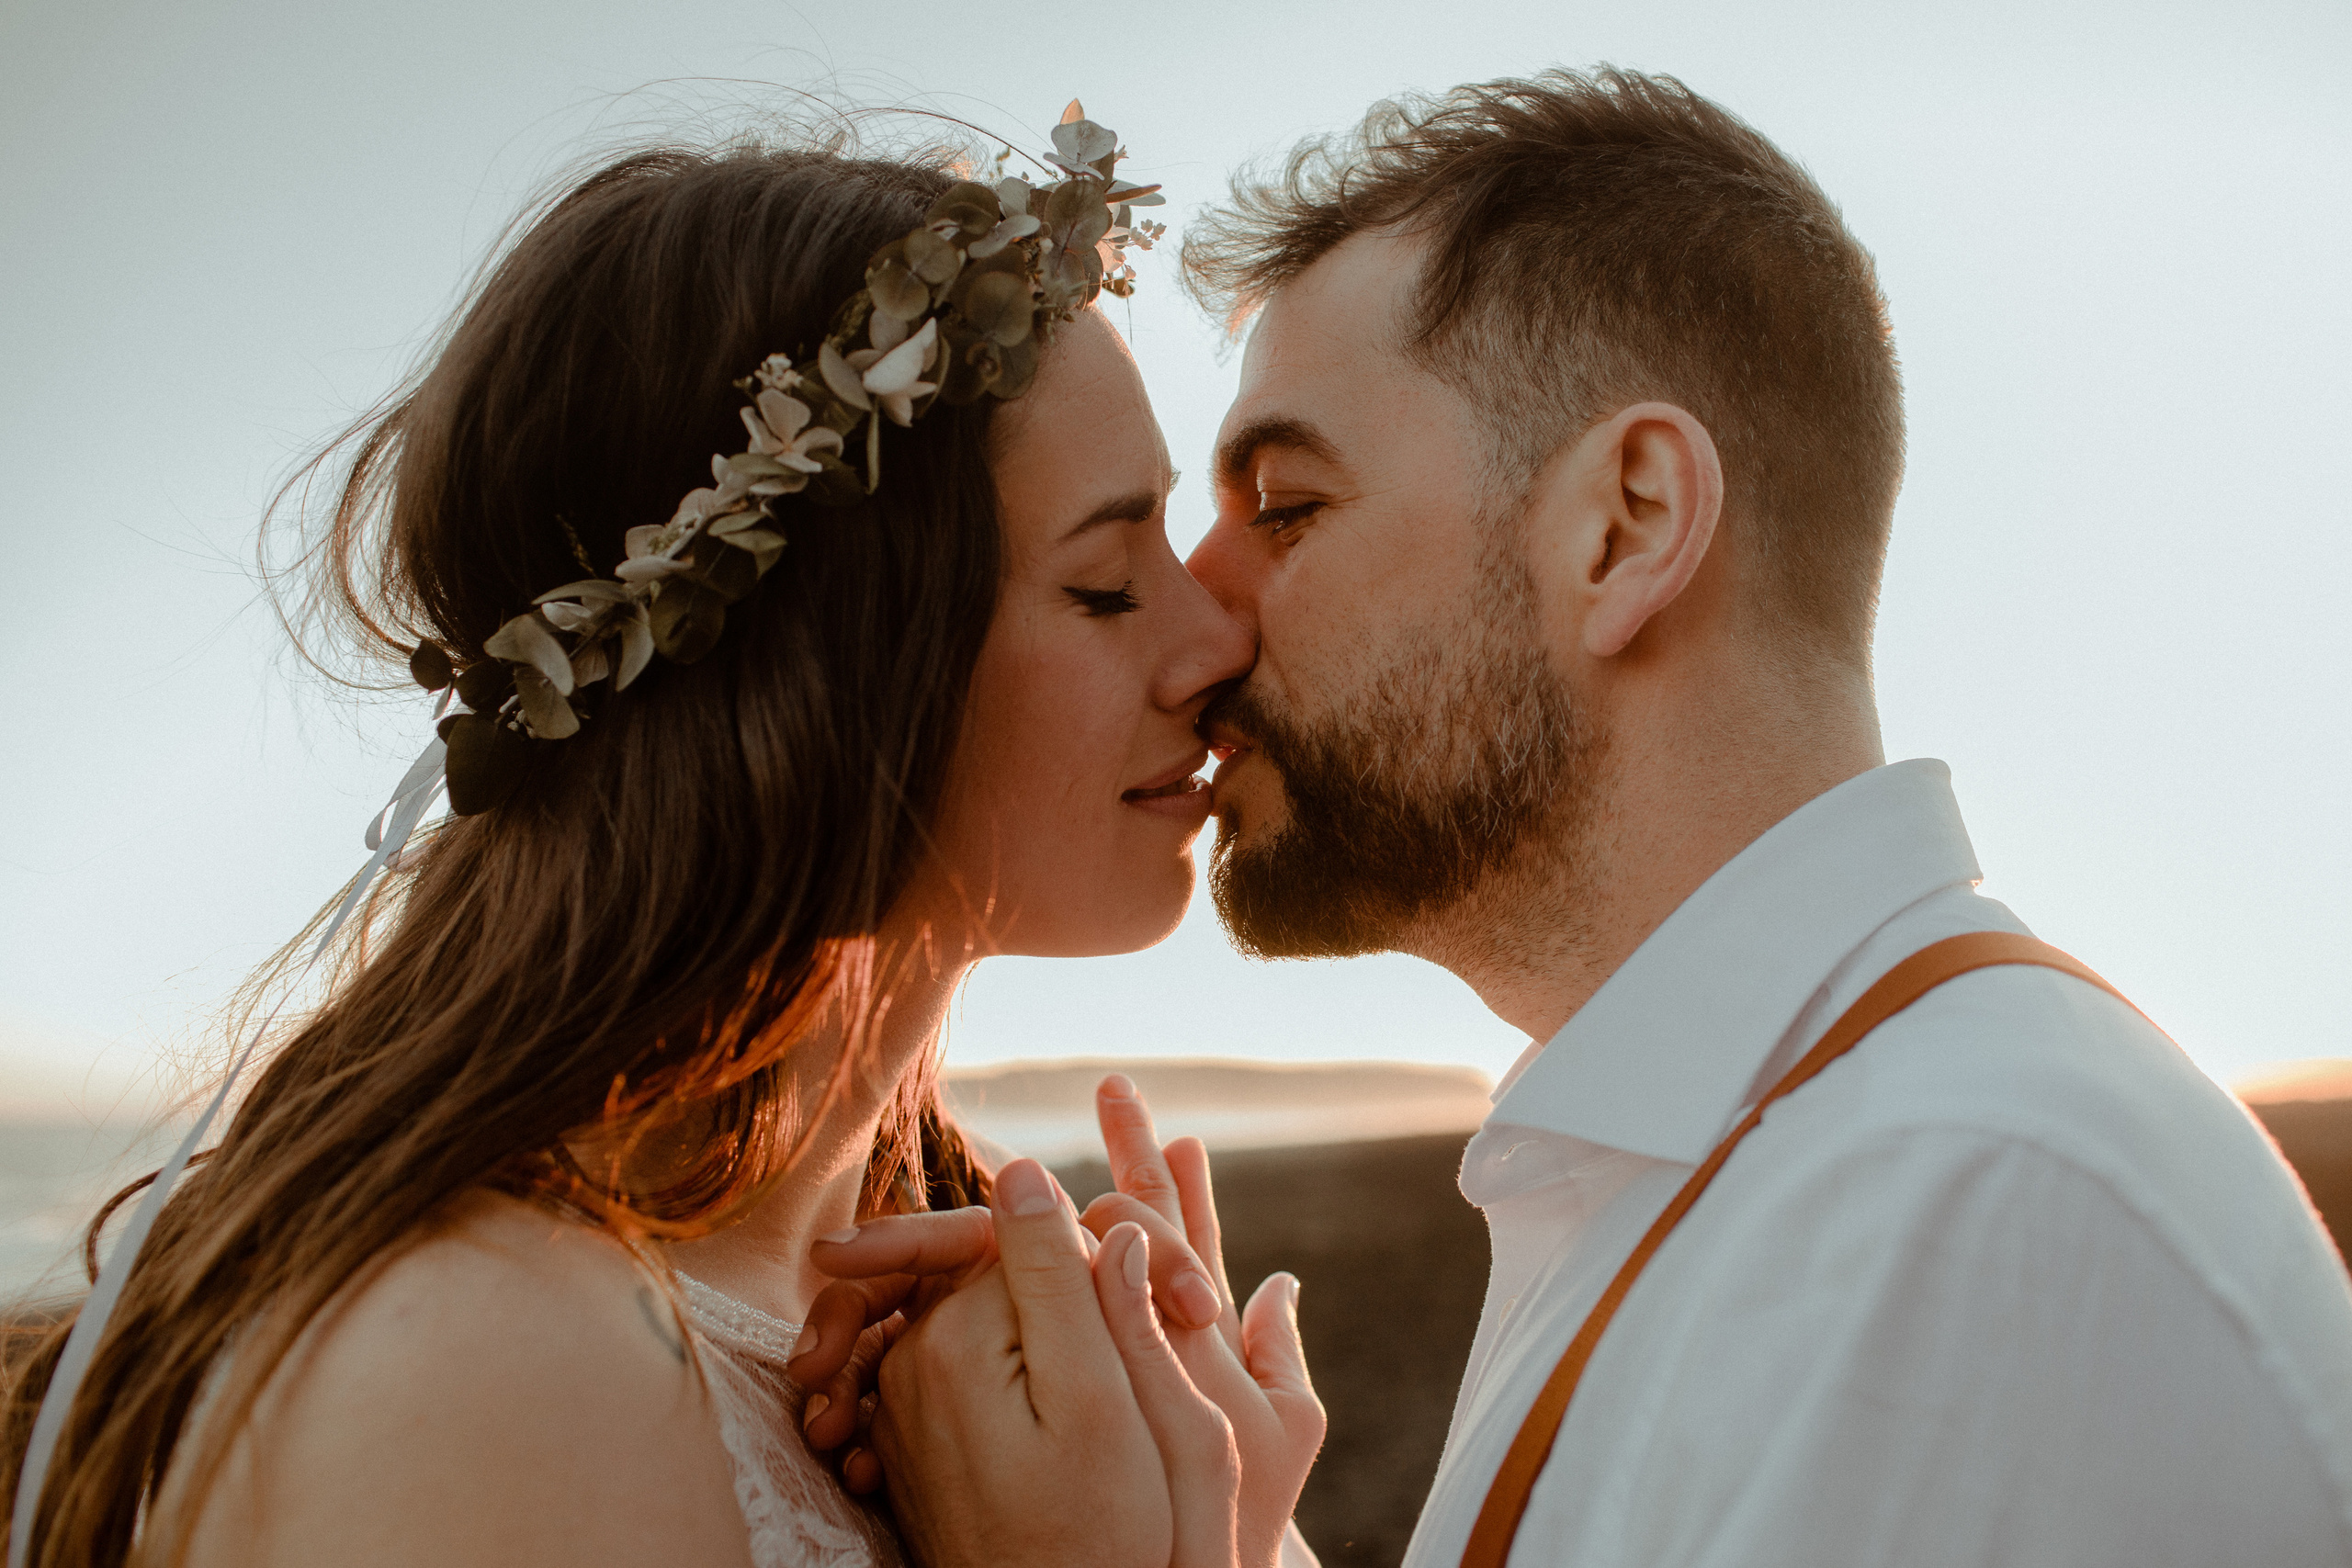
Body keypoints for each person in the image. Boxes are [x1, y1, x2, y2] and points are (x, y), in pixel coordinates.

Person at [806, 68, 2352, 1566]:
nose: (1203, 622)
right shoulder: (1725, 1157)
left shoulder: (1964, 1219)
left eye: (1286, 506)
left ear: (1625, 529)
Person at [0, 116, 1324, 1568]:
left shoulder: (981, 1344)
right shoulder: (484, 1368)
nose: (1219, 635)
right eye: (1103, 583)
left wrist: (1222, 1523)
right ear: (826, 671)